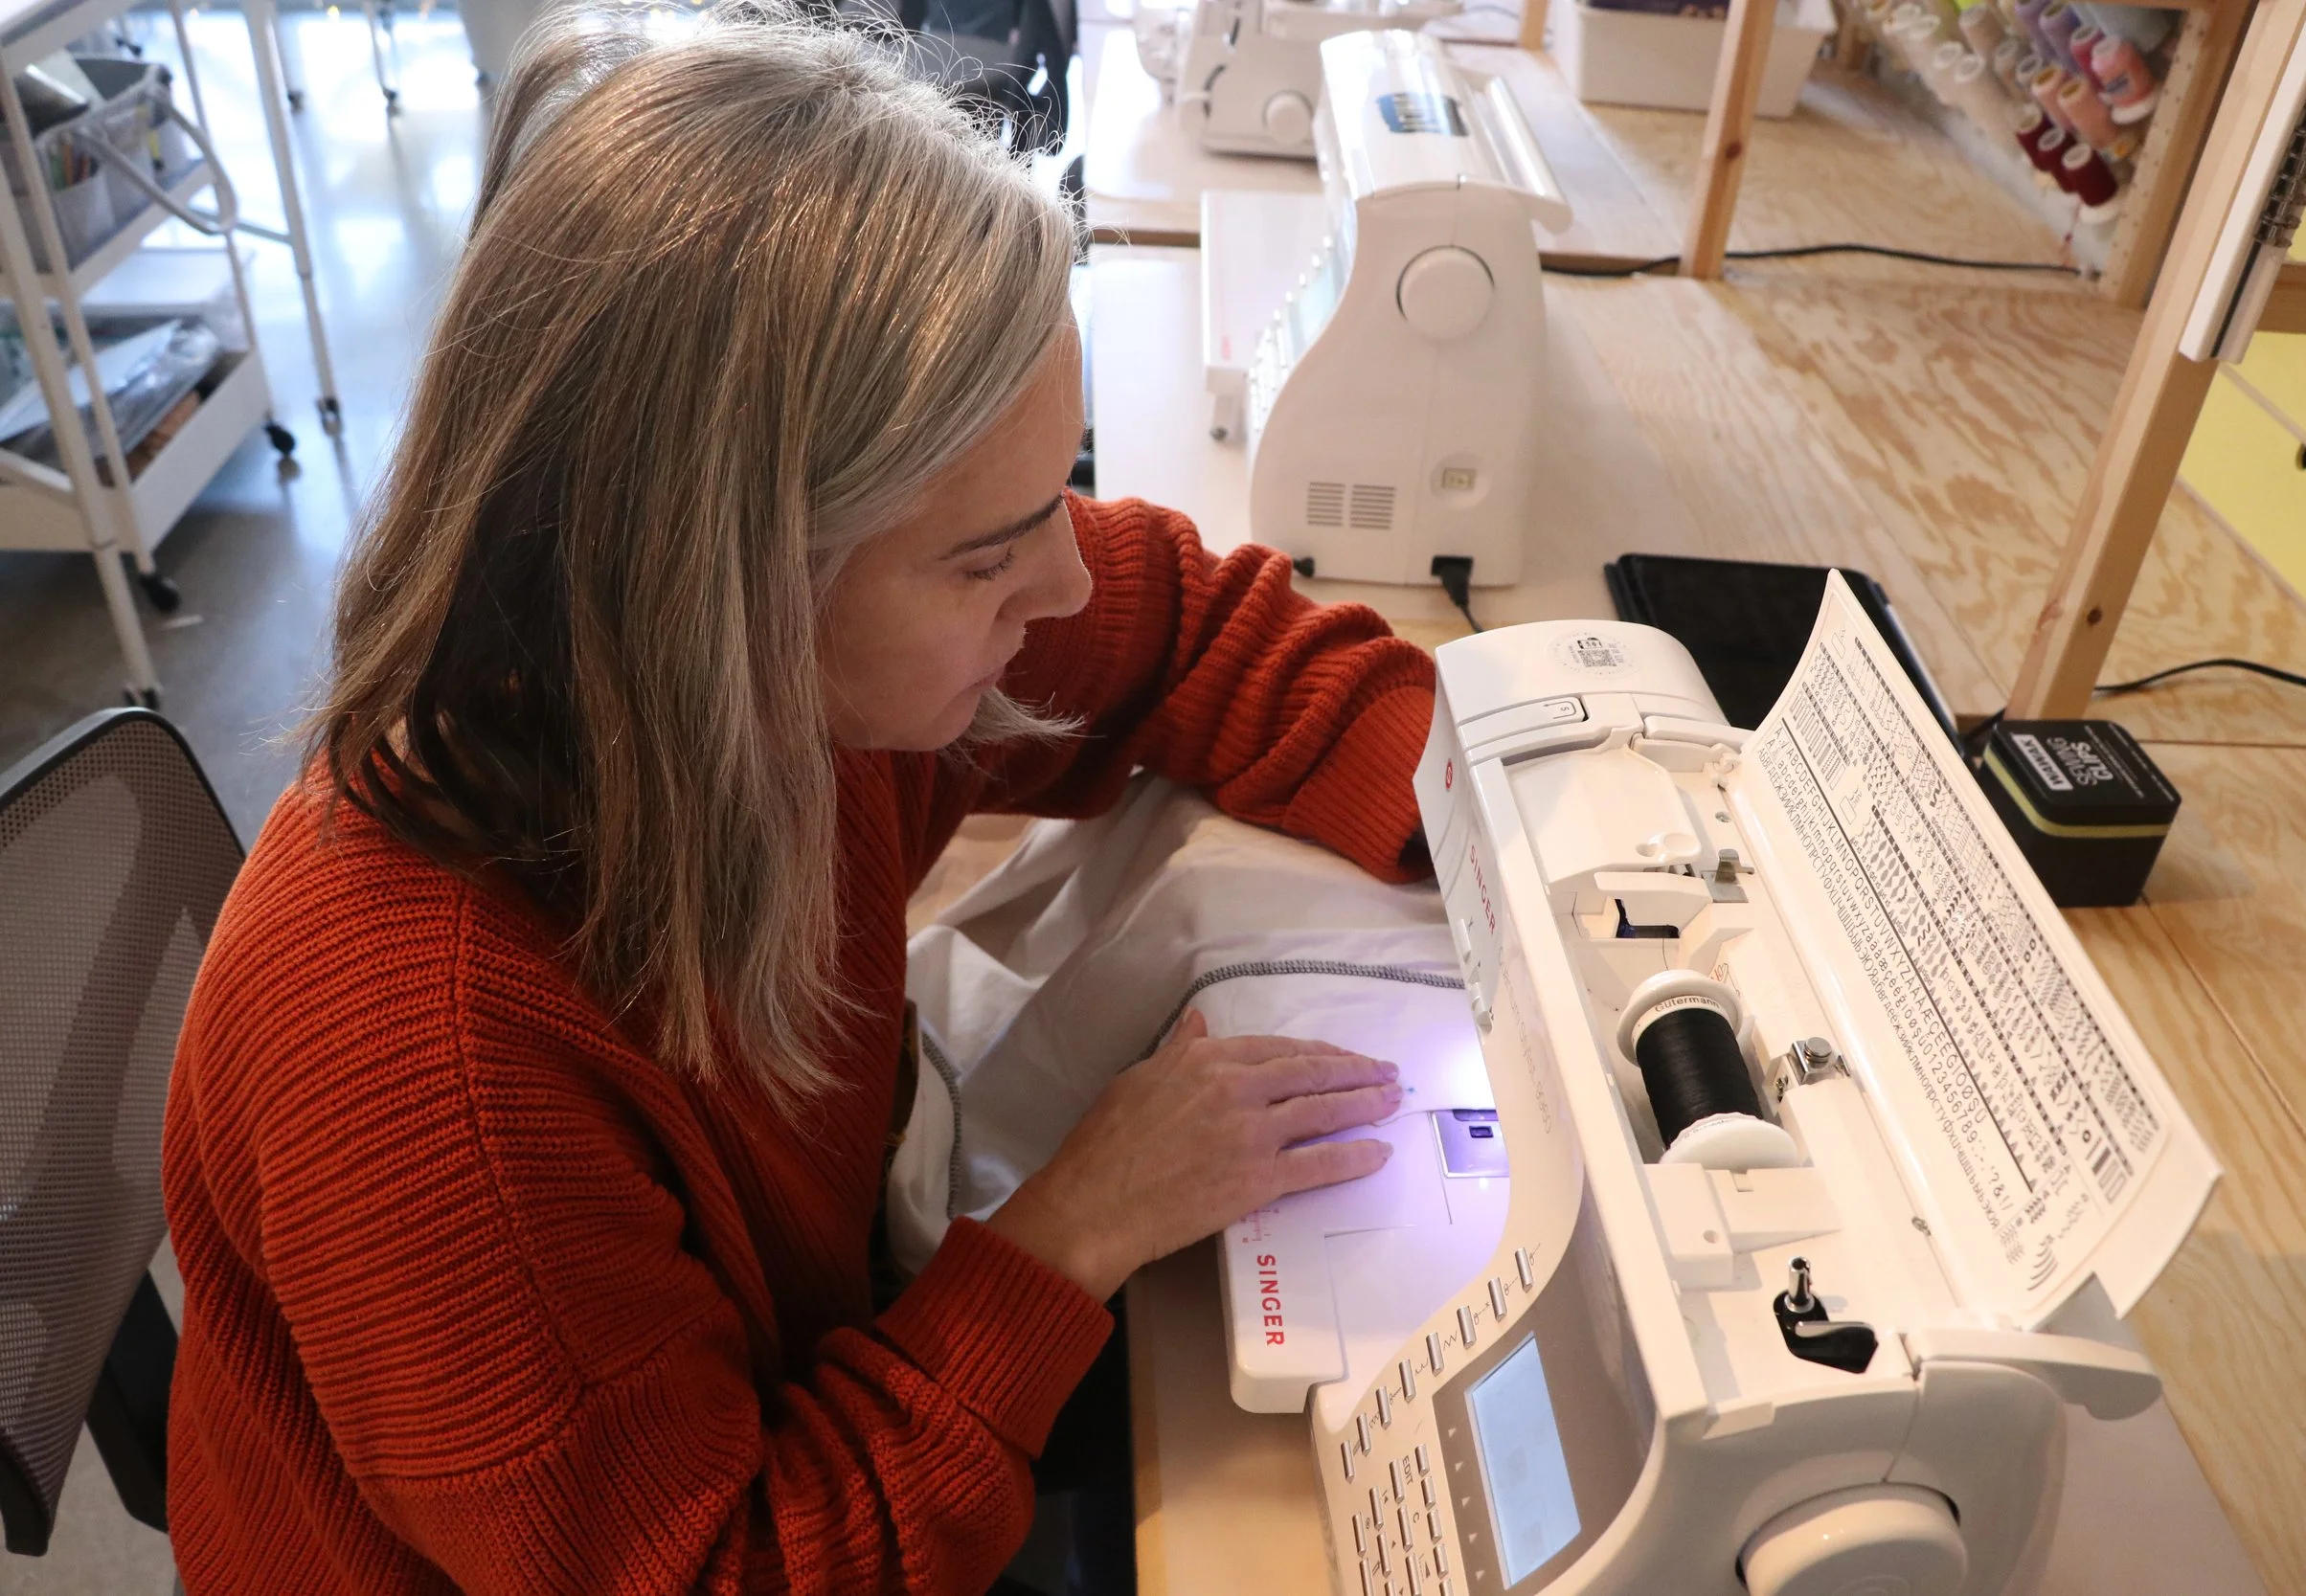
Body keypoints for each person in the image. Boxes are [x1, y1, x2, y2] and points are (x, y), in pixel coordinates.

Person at [163, 7, 1439, 1593]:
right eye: (987, 553)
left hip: (793, 1366)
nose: (1056, 577)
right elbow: (739, 1569)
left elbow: (1171, 619)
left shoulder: (754, 675)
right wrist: (1074, 1227)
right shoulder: (424, 1065)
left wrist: (1477, 815)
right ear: (731, 586)